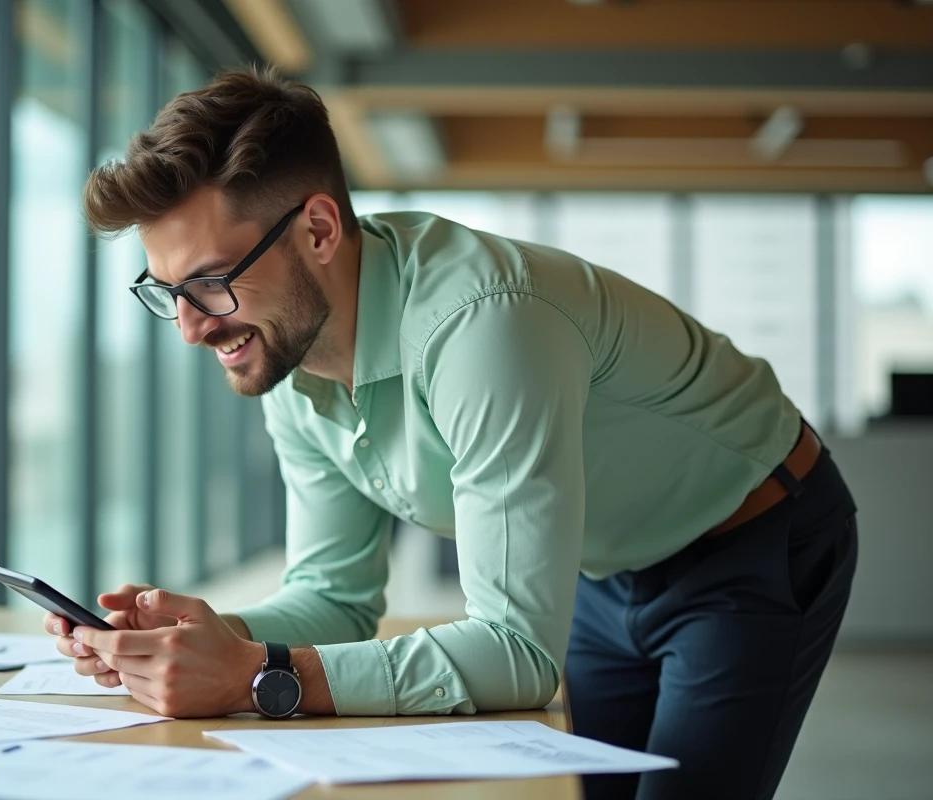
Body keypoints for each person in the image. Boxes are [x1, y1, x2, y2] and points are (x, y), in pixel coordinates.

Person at [42, 66, 857, 800]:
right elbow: (334, 598)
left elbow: (515, 654)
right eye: (168, 290)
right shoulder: (286, 355)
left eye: (212, 283)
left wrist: (256, 676)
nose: (189, 328)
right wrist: (207, 640)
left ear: (319, 232)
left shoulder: (483, 325)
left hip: (752, 534)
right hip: (602, 567)